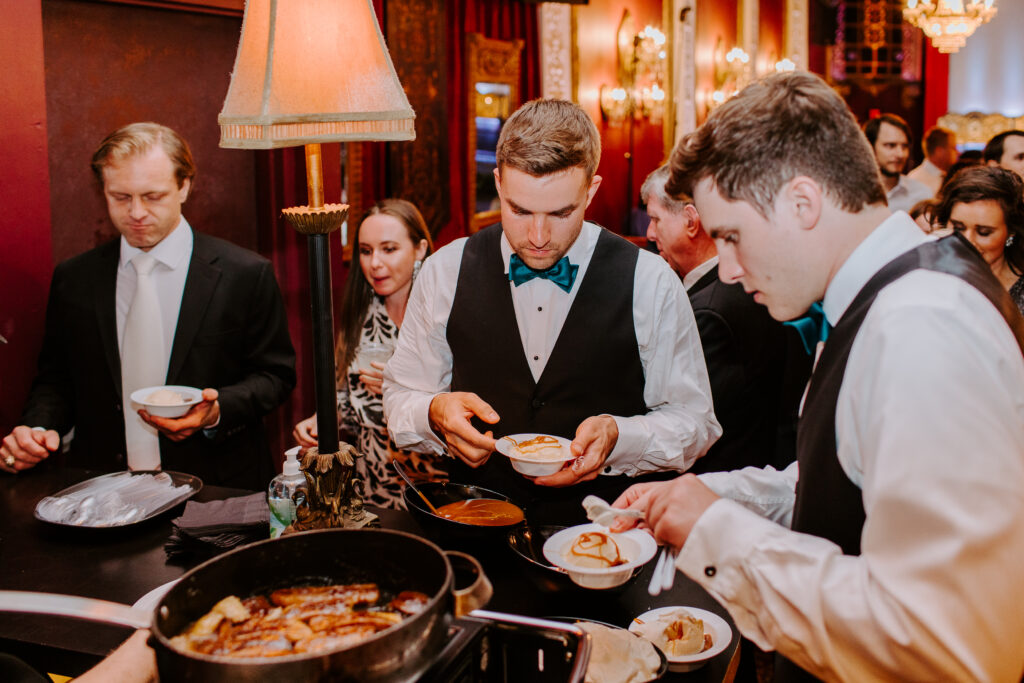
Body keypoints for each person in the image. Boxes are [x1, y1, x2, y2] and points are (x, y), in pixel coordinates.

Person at [612, 71, 1024, 682]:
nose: (725, 269)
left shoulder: (920, 326)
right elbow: (852, 481)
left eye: (731, 236)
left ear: (802, 203)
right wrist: (719, 497)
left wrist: (719, 533)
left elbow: (954, 640)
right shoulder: (886, 297)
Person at [383, 98, 719, 523]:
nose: (538, 236)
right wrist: (433, 414)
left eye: (561, 213)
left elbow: (695, 423)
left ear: (591, 191)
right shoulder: (444, 271)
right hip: (476, 534)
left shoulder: (650, 281)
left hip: (602, 543)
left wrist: (621, 437)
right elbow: (399, 398)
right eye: (519, 211)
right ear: (499, 184)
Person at [0, 123, 296, 489]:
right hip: (102, 486)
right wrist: (37, 429)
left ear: (184, 185)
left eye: (152, 196)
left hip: (216, 488)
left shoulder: (245, 274)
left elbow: (275, 376)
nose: (136, 213)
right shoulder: (74, 278)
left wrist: (216, 411)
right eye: (120, 197)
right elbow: (56, 380)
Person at [640, 164, 809, 473]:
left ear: (691, 221)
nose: (649, 233)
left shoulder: (709, 310)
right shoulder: (749, 283)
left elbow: (689, 419)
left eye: (655, 219)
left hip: (722, 474)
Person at [293, 199, 447, 508]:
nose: (374, 263)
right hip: (371, 485)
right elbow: (347, 396)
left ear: (419, 249)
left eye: (389, 249)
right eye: (365, 250)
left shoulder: (443, 312)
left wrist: (405, 388)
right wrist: (321, 419)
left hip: (435, 485)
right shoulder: (361, 314)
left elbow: (473, 399)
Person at [934, 165, 1024, 313]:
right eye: (958, 228)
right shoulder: (932, 279)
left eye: (983, 232)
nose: (967, 240)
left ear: (1011, 232)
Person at [863, 113, 933, 211]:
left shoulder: (921, 194)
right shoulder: (854, 194)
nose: (900, 154)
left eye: (904, 146)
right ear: (870, 147)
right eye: (891, 145)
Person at [906, 125, 957, 195]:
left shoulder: (947, 176)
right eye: (953, 148)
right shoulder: (915, 180)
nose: (957, 152)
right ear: (939, 151)